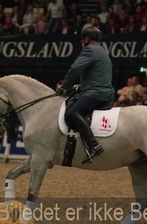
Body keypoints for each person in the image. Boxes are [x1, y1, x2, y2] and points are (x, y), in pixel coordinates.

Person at [56, 27, 113, 164]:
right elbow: (97, 76)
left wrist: (63, 87)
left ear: (87, 39)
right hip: (102, 91)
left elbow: (74, 69)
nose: (81, 42)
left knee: (72, 112)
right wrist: (78, 87)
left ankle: (94, 145)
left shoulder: (90, 50)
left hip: (96, 93)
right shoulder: (102, 51)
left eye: (82, 39)